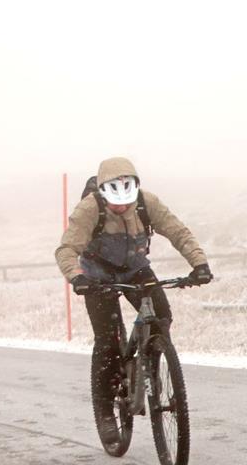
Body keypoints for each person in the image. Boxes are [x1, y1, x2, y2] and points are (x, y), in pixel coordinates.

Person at [55, 157, 212, 443]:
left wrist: (199, 264)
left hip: (135, 268)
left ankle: (149, 357)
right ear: (104, 196)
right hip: (97, 276)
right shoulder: (89, 208)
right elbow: (66, 249)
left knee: (161, 315)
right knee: (108, 341)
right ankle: (105, 412)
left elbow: (178, 231)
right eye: (116, 205)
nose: (121, 209)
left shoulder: (147, 203)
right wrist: (77, 277)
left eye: (126, 204)